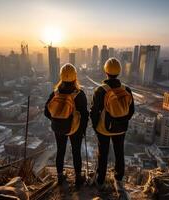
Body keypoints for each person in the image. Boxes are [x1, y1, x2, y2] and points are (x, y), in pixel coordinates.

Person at [90, 57, 135, 190]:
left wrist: (96, 127)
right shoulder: (127, 90)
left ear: (106, 71)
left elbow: (93, 112)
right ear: (119, 72)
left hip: (104, 128)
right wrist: (122, 120)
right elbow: (131, 110)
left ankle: (101, 180)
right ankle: (119, 179)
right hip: (121, 128)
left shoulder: (101, 90)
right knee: (119, 152)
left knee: (102, 153)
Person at [44, 63, 89, 188]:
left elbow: (46, 111)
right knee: (76, 152)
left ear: (61, 77)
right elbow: (85, 115)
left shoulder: (55, 93)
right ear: (75, 77)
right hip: (76, 129)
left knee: (60, 151)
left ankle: (60, 176)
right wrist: (82, 129)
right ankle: (78, 178)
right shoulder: (79, 94)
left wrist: (57, 119)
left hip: (59, 128)